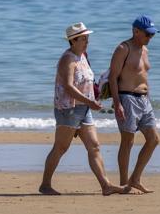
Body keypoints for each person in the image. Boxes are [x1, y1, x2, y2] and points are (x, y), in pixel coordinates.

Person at [39, 22, 125, 196]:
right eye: (83, 39)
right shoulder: (67, 59)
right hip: (68, 109)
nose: (87, 41)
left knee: (94, 146)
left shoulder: (83, 56)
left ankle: (106, 185)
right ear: (73, 41)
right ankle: (45, 185)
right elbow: (69, 87)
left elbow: (86, 82)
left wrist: (98, 93)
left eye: (87, 38)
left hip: (84, 109)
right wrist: (90, 102)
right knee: (61, 147)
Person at [109, 15, 160, 194]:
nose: (150, 38)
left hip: (144, 100)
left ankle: (135, 178)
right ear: (136, 31)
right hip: (127, 98)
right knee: (127, 142)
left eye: (152, 35)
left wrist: (149, 97)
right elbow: (112, 78)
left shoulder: (145, 49)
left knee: (154, 140)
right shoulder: (123, 48)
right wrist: (117, 103)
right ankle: (124, 183)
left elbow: (144, 76)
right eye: (147, 34)